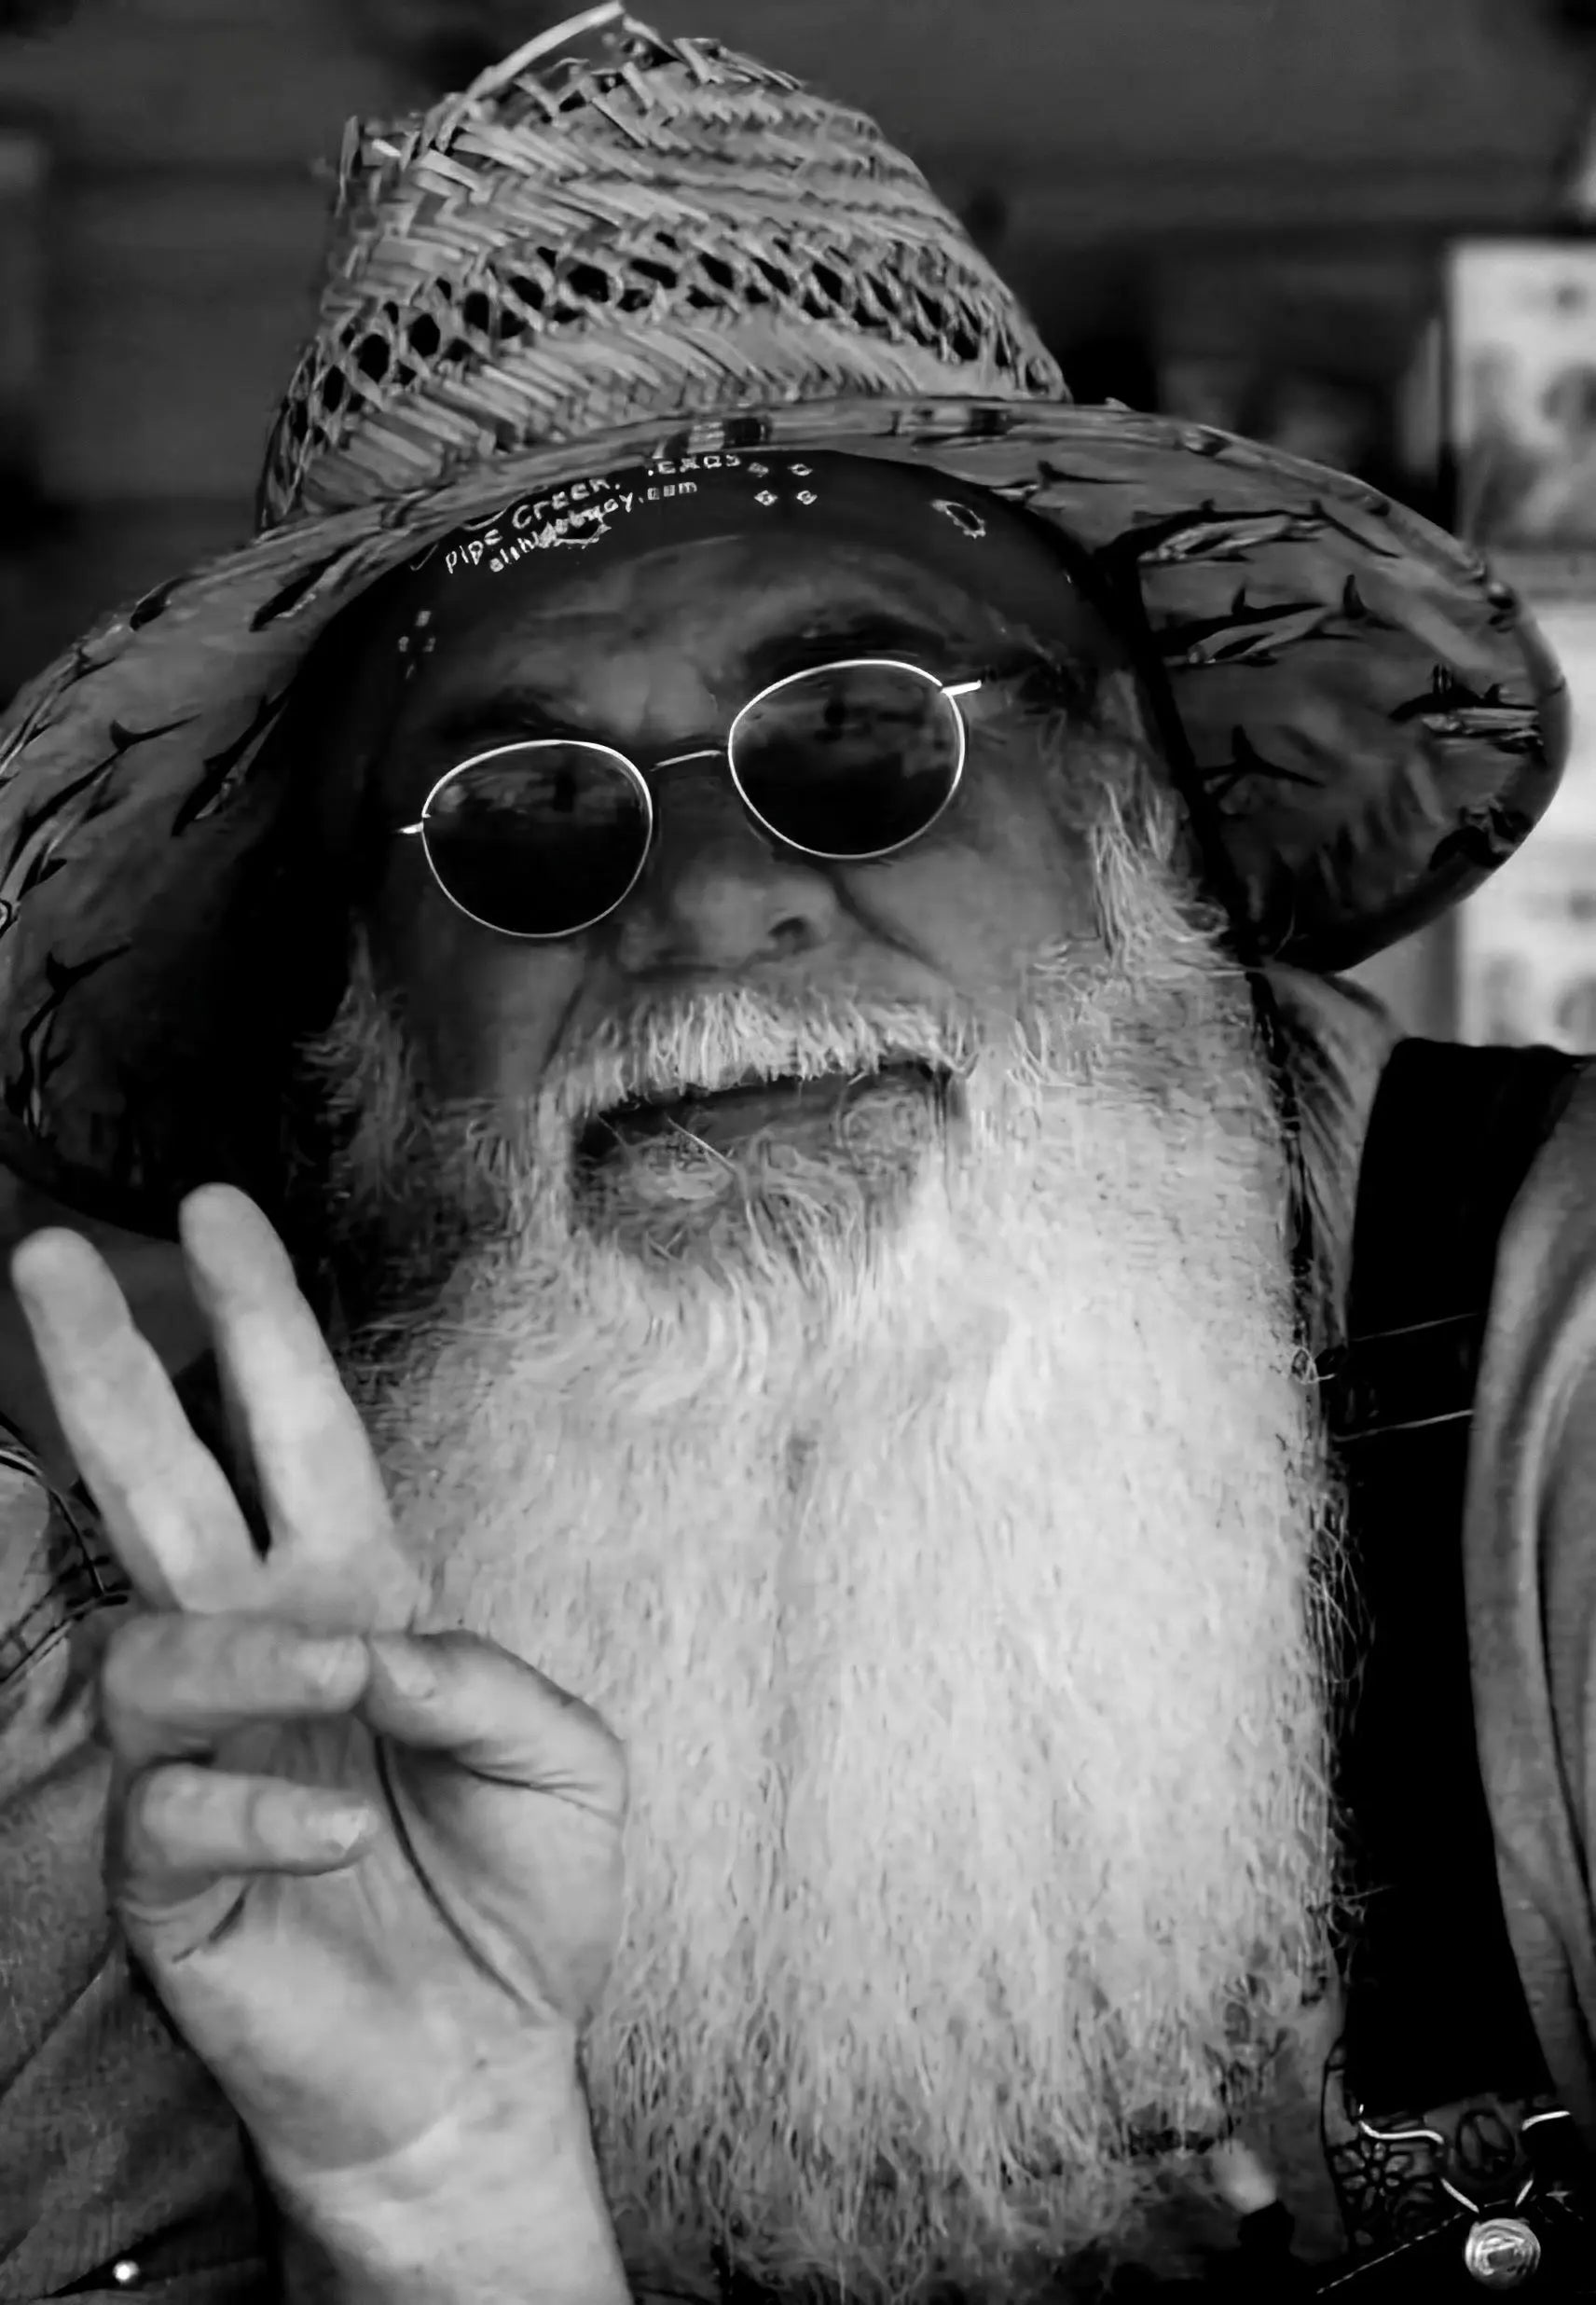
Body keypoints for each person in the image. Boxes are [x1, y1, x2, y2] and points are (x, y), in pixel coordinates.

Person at [0, 7, 1591, 2300]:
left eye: (857, 739)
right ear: (370, 1005)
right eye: (523, 818)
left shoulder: (1562, 1375)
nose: (709, 905)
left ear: (1137, 813)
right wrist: (439, 2200)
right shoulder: (219, 1684)